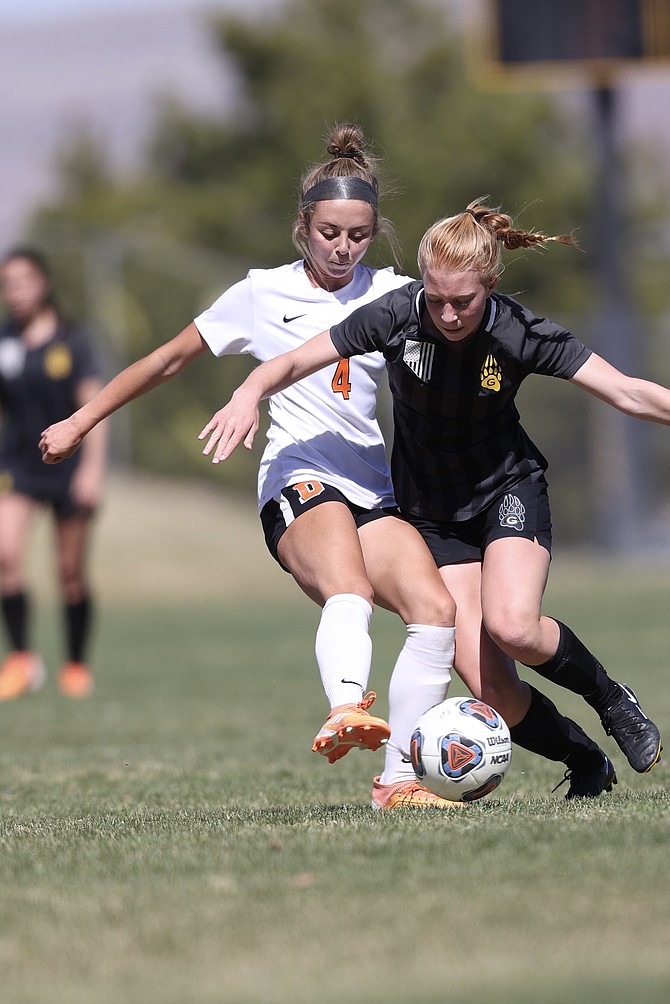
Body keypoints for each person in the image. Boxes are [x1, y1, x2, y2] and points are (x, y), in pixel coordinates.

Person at [39, 136, 612, 804]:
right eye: (330, 232)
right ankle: (346, 707)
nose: (343, 248)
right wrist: (82, 422)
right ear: (303, 226)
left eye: (360, 236)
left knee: (438, 614)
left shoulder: (403, 296)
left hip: (375, 488)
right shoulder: (260, 294)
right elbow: (167, 360)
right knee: (346, 584)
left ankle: (400, 783)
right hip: (298, 477)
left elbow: (475, 324)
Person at [190, 197, 665, 795]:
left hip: (505, 491)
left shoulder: (517, 331)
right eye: (435, 297)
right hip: (434, 514)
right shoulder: (395, 314)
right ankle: (586, 762)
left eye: (462, 301)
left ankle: (611, 698)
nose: (446, 313)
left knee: (514, 628)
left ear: (489, 286)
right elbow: (294, 359)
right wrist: (248, 390)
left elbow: (626, 392)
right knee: (487, 683)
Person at [0, 247, 107, 699]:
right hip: (19, 466)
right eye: (8, 283)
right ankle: (22, 659)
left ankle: (76, 666)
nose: (15, 291)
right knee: (4, 556)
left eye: (23, 280)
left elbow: (95, 406)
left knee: (69, 572)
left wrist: (93, 470)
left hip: (69, 466)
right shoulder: (4, 340)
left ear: (43, 283)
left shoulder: (72, 340)